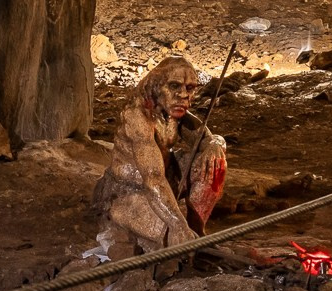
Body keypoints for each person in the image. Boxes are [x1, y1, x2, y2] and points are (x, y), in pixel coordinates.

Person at [90, 55, 228, 259]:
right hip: (131, 192)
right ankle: (181, 234)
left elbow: (208, 139)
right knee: (165, 230)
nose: (183, 95)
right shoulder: (138, 117)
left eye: (190, 89)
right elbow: (153, 178)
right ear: (156, 86)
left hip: (163, 184)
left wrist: (216, 144)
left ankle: (196, 230)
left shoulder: (174, 114)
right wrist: (177, 224)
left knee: (215, 162)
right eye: (174, 86)